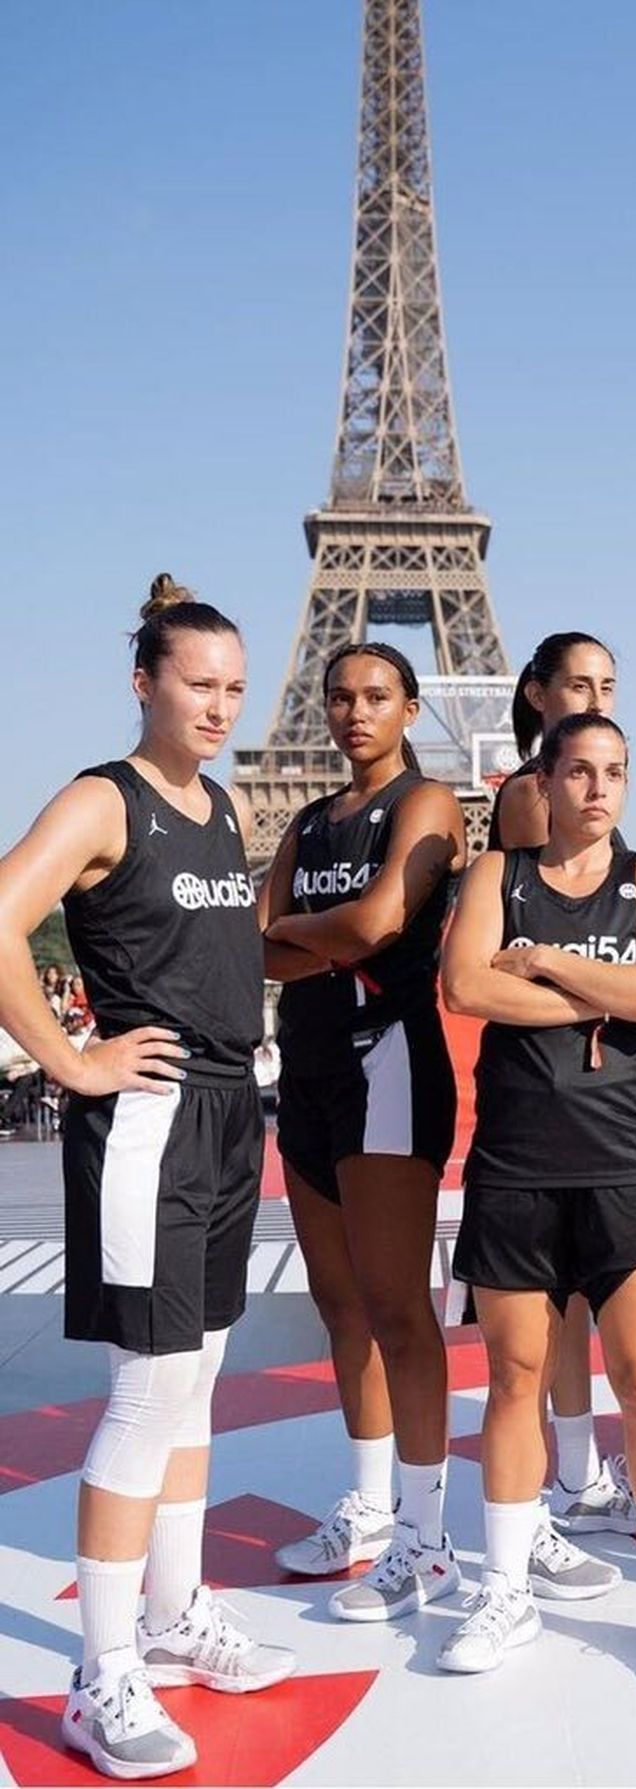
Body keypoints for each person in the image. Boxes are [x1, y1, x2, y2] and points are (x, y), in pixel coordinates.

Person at [0, 577, 294, 1780]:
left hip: (231, 1115)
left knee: (202, 1376)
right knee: (148, 1384)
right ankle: (100, 1670)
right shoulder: (101, 799)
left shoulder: (220, 806)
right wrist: (70, 1058)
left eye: (234, 685)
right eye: (198, 684)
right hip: (151, 1120)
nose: (221, 705)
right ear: (143, 682)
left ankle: (173, 1617)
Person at [441, 713, 636, 1680]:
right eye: (580, 771)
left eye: (615, 771)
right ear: (547, 781)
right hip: (518, 1162)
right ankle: (507, 1589)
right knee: (515, 1378)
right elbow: (468, 986)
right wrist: (614, 988)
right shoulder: (496, 877)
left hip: (629, 1161)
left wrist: (555, 963)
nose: (598, 788)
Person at [260, 643, 466, 1619]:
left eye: (376, 696)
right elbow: (256, 947)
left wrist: (316, 930)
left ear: (410, 709)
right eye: (339, 695)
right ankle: (372, 1504)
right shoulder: (306, 818)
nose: (353, 711)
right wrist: (325, 934)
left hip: (386, 1057)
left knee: (398, 1309)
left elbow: (383, 922)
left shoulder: (424, 805)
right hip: (308, 1070)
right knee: (340, 1306)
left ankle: (426, 1535)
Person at [486, 632, 636, 1539]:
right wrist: (602, 988)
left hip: (585, 1090)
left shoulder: (584, 795)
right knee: (551, 1312)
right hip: (546, 1090)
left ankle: (572, 1469)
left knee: (569, 1305)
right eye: (578, 682)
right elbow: (541, 951)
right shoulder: (531, 797)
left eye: (608, 684)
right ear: (536, 694)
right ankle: (567, 1475)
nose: (595, 693)